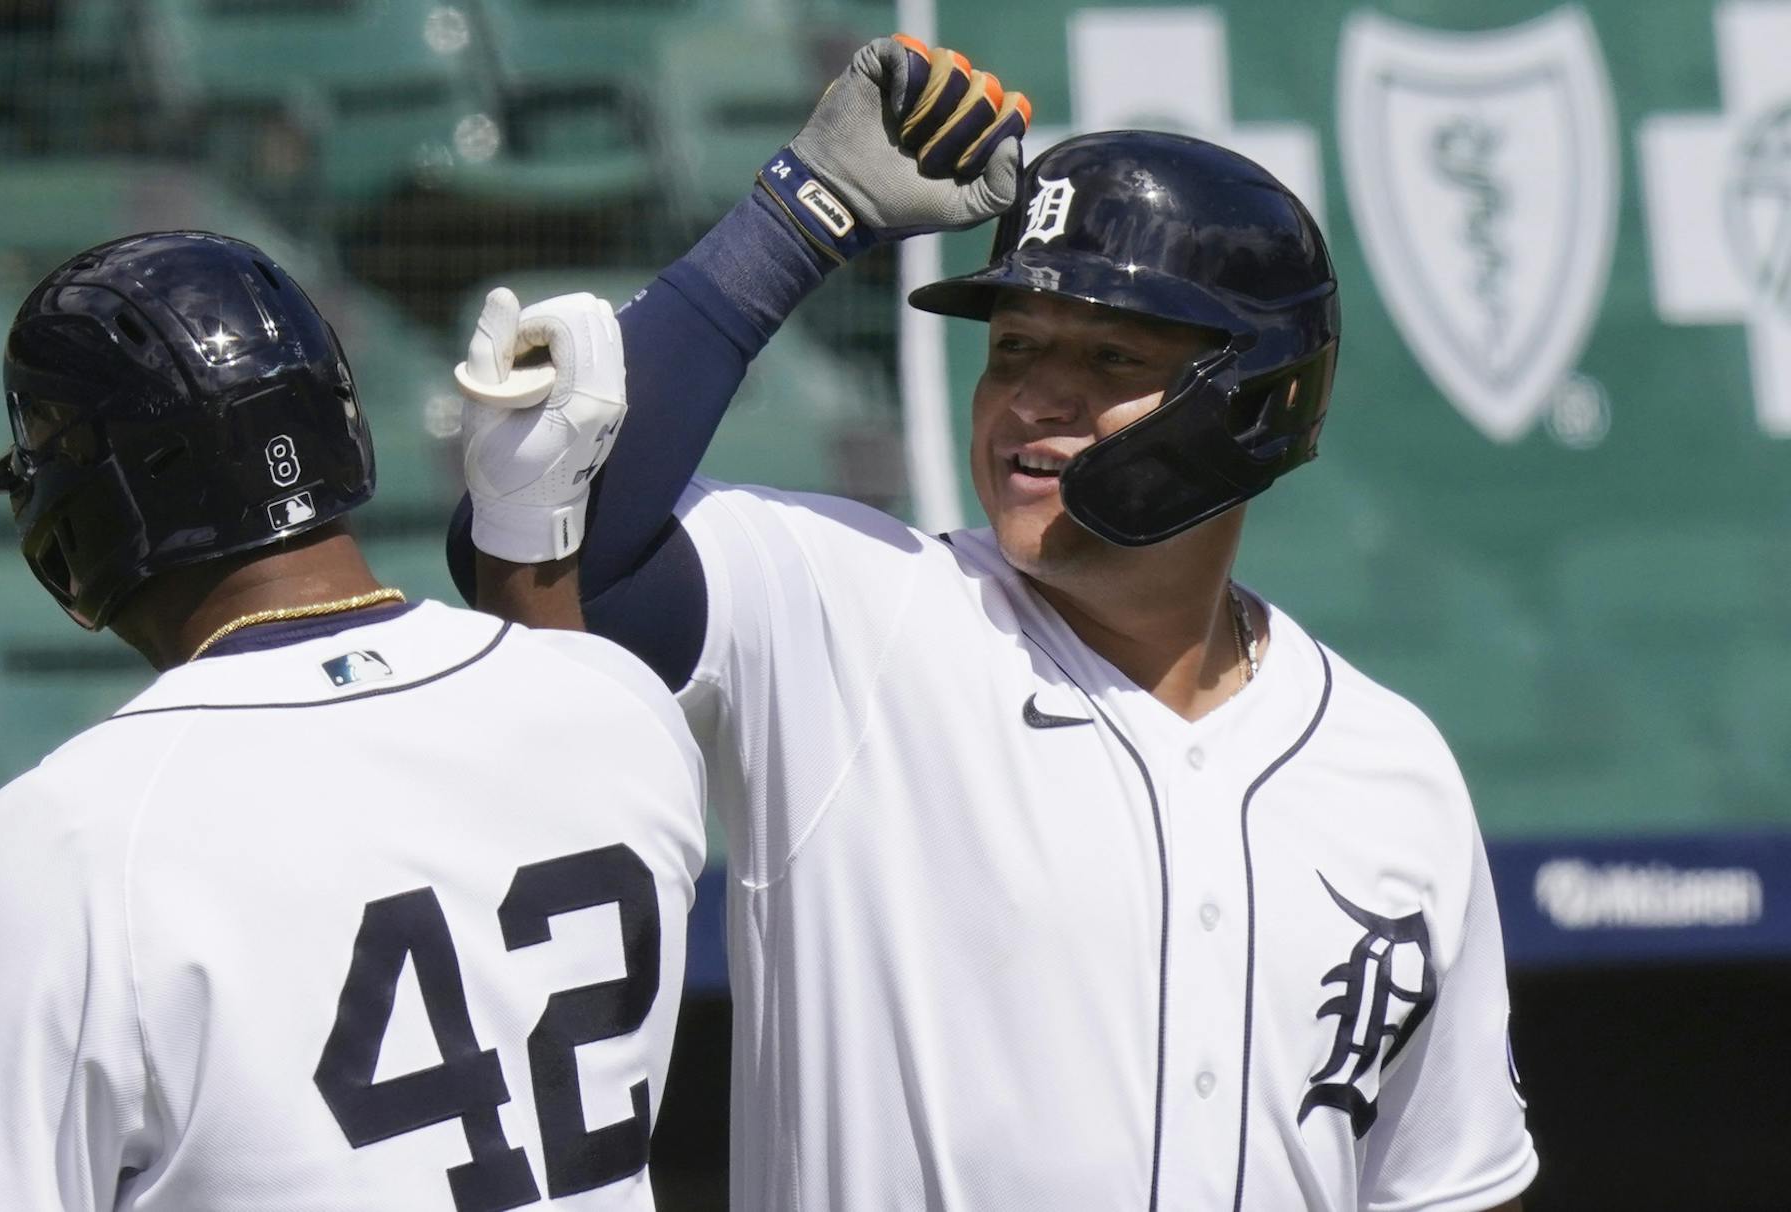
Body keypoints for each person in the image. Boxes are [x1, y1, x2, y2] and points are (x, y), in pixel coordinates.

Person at [448, 36, 1537, 1212]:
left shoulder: (1391, 770)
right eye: (1014, 348)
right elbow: (547, 530)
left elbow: (1448, 1185)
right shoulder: (860, 618)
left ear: (1257, 402)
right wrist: (797, 221)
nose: (1034, 396)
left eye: (1109, 354)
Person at [0, 231, 705, 1210]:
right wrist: (531, 540)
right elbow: (516, 735)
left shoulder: (73, 838)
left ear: (78, 524)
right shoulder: (619, 711)